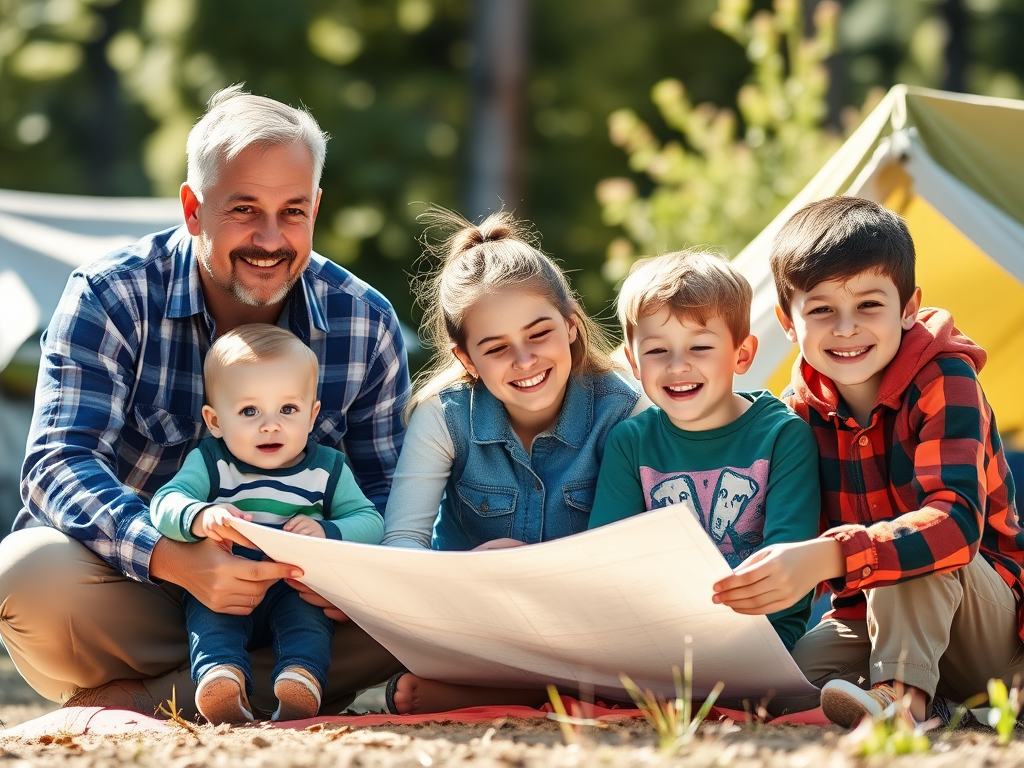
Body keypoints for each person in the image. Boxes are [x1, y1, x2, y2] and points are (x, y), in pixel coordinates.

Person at [0, 85, 409, 719]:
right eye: (244, 208)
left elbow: (389, 492)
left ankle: (143, 700)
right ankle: (223, 684)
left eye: (293, 211)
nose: (270, 238)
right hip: (143, 587)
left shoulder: (365, 321)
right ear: (193, 208)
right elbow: (58, 463)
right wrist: (176, 559)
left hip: (298, 599)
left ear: (317, 208)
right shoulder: (111, 296)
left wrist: (340, 563)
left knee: (412, 606)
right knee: (24, 575)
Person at [711, 196, 1024, 726]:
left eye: (869, 305)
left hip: (986, 628)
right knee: (773, 691)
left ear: (907, 306)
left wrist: (830, 557)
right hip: (868, 617)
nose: (847, 327)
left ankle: (905, 708)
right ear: (789, 321)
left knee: (915, 549)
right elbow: (783, 534)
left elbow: (955, 525)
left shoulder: (945, 379)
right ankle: (943, 710)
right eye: (822, 310)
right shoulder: (795, 419)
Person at [379, 206, 649, 713]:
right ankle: (524, 687)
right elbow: (404, 548)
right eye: (496, 348)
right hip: (475, 624)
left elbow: (638, 558)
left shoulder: (626, 410)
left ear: (570, 325)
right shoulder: (442, 418)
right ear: (466, 360)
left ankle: (509, 693)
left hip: (590, 622)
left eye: (540, 333)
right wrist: (474, 576)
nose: (525, 361)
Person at [150, 324, 385, 723]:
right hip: (224, 580)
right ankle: (220, 680)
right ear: (215, 421)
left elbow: (370, 521)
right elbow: (164, 503)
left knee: (309, 621)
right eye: (249, 411)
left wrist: (328, 530)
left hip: (295, 584)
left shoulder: (327, 469)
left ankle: (300, 680)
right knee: (210, 620)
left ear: (312, 415)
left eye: (288, 409)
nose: (270, 424)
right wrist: (201, 516)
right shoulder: (210, 462)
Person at [586, 250, 820, 652]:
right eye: (657, 351)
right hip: (659, 637)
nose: (677, 366)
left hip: (765, 640)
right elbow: (609, 561)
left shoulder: (784, 436)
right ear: (634, 362)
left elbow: (787, 573)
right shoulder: (630, 443)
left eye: (700, 348)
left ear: (742, 353)